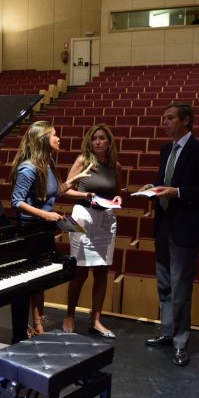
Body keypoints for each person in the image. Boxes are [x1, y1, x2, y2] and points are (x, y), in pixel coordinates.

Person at [138, 102, 199, 366]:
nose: (164, 122)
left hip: (186, 226)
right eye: (163, 118)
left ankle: (181, 342)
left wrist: (179, 192)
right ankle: (167, 332)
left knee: (181, 286)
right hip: (164, 223)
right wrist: (154, 187)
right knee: (164, 283)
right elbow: (165, 180)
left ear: (186, 121)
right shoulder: (166, 149)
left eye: (170, 118)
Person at [9, 120, 91, 343]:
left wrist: (74, 181)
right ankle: (20, 332)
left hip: (44, 229)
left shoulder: (49, 163)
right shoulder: (29, 168)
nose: (58, 138)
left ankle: (36, 323)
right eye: (55, 135)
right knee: (27, 284)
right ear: (43, 139)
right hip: (30, 231)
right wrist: (45, 215)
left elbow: (54, 194)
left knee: (40, 279)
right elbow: (16, 202)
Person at [62, 123, 123, 339]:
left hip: (106, 219)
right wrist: (85, 196)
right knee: (79, 271)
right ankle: (70, 314)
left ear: (109, 142)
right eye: (94, 138)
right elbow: (66, 189)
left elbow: (117, 192)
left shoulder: (115, 165)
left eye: (102, 138)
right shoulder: (83, 161)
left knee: (101, 272)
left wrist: (118, 199)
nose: (97, 142)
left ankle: (95, 320)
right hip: (84, 216)